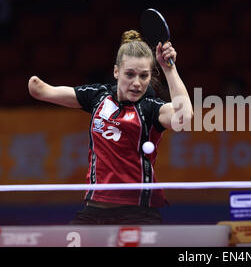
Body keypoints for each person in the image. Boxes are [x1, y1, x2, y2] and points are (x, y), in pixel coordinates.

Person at [28, 30, 193, 225]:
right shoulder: (98, 96)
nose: (137, 83)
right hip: (95, 210)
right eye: (129, 74)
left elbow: (184, 118)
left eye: (143, 75)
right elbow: (40, 90)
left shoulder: (150, 108)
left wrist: (169, 68)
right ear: (116, 72)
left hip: (139, 213)